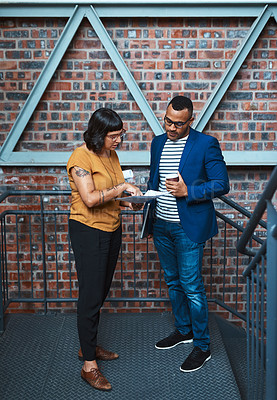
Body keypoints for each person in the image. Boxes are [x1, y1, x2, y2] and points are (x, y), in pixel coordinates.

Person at [145, 95, 229, 373]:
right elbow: (154, 178)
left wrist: (189, 192)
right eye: (168, 121)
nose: (171, 127)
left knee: (192, 286)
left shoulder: (205, 144)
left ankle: (202, 346)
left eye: (178, 124)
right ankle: (183, 331)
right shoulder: (157, 142)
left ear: (190, 121)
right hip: (161, 225)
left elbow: (221, 184)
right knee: (173, 281)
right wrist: (144, 196)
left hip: (188, 227)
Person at [67, 108, 142, 391]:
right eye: (113, 136)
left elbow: (112, 195)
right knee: (89, 295)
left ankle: (89, 346)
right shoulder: (80, 158)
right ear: (99, 134)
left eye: (120, 135)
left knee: (100, 292)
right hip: (88, 231)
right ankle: (89, 366)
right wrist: (122, 186)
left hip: (112, 229)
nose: (118, 141)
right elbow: (89, 198)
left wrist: (133, 201)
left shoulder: (111, 155)